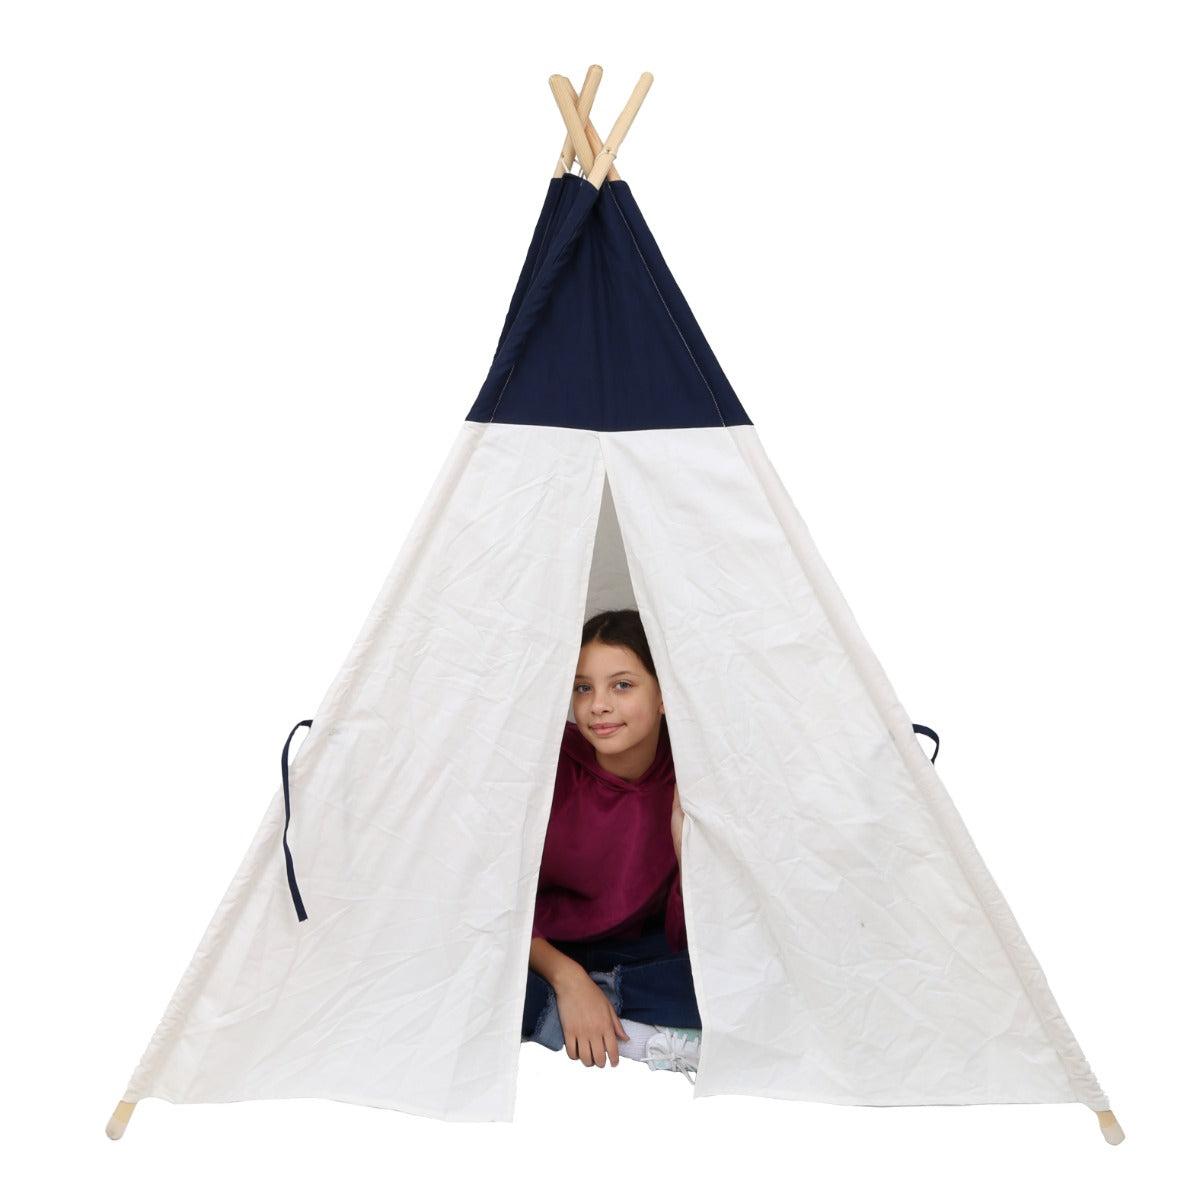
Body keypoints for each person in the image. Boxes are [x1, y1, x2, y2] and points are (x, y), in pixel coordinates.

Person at [522, 609, 702, 1078]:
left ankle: (596, 1007)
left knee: (740, 976)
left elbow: (694, 936)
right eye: (583, 687)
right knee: (477, 979)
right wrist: (568, 978)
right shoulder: (543, 762)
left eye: (621, 685)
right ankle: (624, 1027)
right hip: (540, 950)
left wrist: (685, 842)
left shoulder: (692, 772)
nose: (598, 704)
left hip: (641, 955)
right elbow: (492, 898)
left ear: (665, 696)